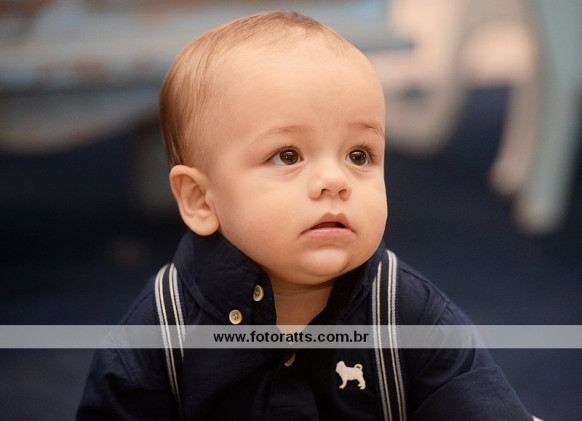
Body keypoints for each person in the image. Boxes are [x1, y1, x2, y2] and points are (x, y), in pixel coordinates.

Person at [77, 11, 533, 420]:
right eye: (288, 155)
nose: (335, 180)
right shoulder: (162, 331)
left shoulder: (408, 312)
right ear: (200, 199)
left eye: (359, 155)